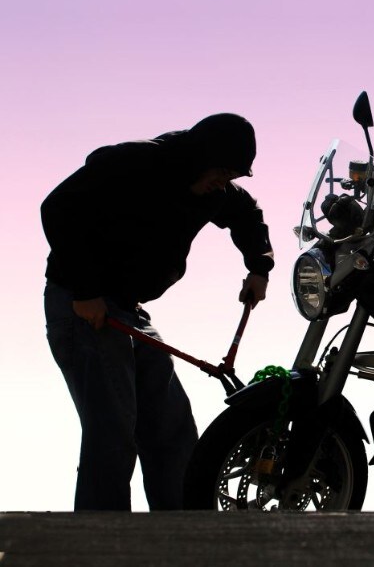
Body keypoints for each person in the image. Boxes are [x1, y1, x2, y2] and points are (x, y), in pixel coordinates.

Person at [40, 113, 274, 511]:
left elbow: (246, 214)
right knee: (112, 430)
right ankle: (100, 537)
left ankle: (184, 532)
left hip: (130, 311)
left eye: (232, 175)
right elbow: (58, 208)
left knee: (171, 427)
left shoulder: (213, 192)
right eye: (222, 171)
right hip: (83, 306)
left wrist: (259, 267)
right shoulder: (134, 163)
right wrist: (86, 290)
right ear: (201, 155)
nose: (224, 182)